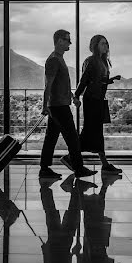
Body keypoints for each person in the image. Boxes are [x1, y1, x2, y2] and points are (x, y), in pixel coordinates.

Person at [40, 29, 96, 179]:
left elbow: (62, 84)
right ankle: (78, 168)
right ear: (59, 41)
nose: (70, 43)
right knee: (72, 138)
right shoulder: (53, 60)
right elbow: (48, 85)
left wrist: (73, 97)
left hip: (59, 105)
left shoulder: (59, 58)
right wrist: (44, 106)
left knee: (51, 138)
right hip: (58, 107)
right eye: (67, 40)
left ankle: (44, 169)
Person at [73, 35, 123, 174]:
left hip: (98, 100)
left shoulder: (103, 61)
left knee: (94, 132)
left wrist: (111, 79)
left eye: (106, 43)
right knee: (92, 131)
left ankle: (103, 163)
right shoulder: (91, 61)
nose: (105, 45)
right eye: (102, 43)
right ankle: (101, 163)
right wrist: (76, 95)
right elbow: (84, 80)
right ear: (95, 45)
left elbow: (99, 80)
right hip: (91, 100)